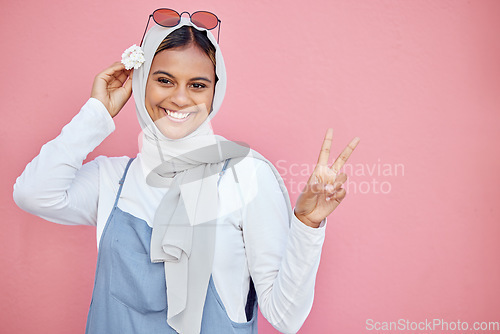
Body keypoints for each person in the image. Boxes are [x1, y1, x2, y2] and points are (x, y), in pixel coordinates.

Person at [13, 9, 359, 334]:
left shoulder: (246, 174)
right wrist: (96, 114)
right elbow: (33, 193)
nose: (180, 99)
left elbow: (285, 317)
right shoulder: (114, 179)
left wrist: (307, 225)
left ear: (215, 91)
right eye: (164, 80)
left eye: (197, 85)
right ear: (140, 82)